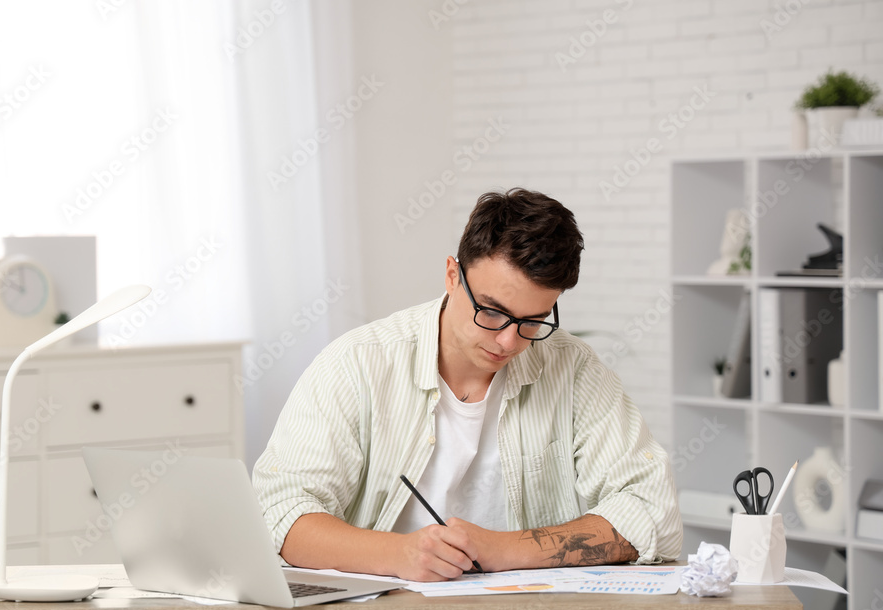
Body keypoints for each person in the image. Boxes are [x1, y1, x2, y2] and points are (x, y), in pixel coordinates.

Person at [253, 187, 682, 582]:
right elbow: (280, 513)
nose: (509, 340)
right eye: (492, 312)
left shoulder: (574, 370)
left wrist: (502, 549)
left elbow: (650, 510)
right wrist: (399, 554)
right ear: (452, 276)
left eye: (532, 321)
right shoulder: (357, 365)